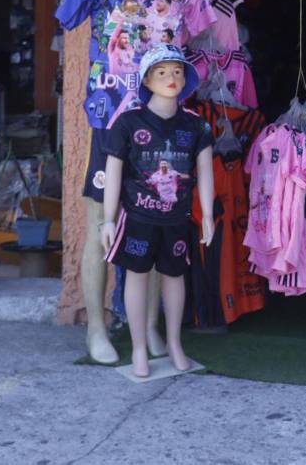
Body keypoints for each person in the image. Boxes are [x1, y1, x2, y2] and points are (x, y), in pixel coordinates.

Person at [101, 44, 215, 378]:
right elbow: (114, 171)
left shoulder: (196, 126)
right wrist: (108, 219)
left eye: (177, 72)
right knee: (136, 277)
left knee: (175, 276)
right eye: (162, 72)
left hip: (177, 219)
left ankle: (175, 343)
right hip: (137, 218)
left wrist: (206, 214)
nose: (171, 78)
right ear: (147, 81)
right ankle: (138, 349)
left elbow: (204, 171)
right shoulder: (127, 123)